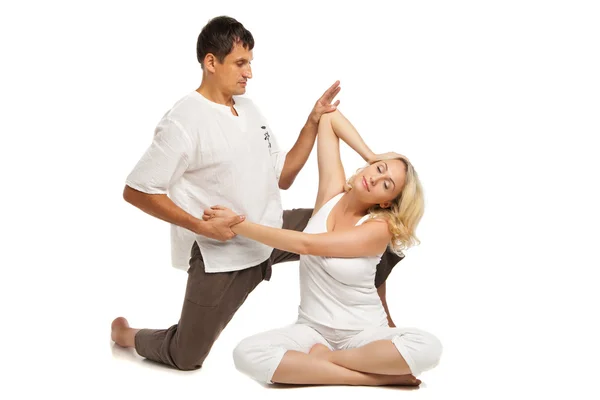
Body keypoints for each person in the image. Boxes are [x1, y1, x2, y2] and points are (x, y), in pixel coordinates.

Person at [110, 15, 404, 371]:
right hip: (225, 251)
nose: (249, 72)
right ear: (210, 63)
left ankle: (379, 317)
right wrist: (201, 228)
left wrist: (312, 122)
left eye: (250, 62)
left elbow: (283, 176)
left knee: (381, 237)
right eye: (240, 63)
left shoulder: (248, 108)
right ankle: (128, 336)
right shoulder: (183, 123)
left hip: (272, 228)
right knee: (186, 356)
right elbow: (137, 190)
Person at [204, 109, 442, 386]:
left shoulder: (378, 228)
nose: (376, 179)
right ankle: (372, 379)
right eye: (378, 169)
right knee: (246, 354)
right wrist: (372, 155)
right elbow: (329, 119)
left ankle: (324, 362)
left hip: (364, 334)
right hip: (312, 331)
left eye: (386, 184)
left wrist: (237, 225)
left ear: (387, 202)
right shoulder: (330, 194)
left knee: (428, 347)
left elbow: (307, 244)